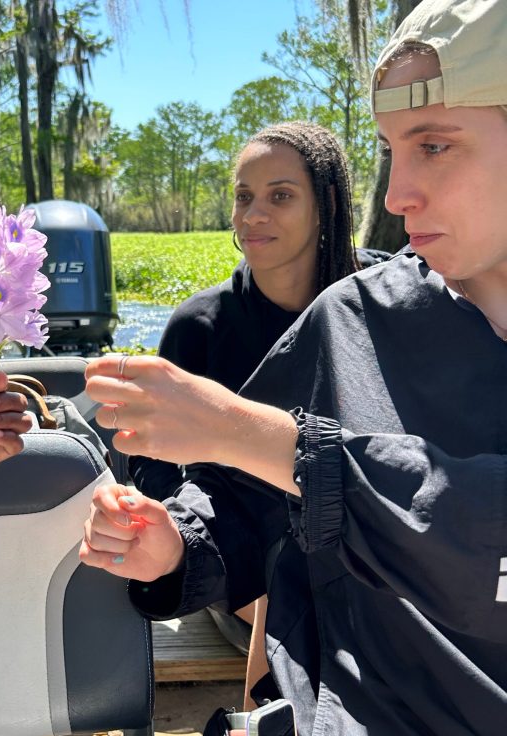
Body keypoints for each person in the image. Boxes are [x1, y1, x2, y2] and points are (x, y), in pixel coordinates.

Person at [82, 0, 507, 736]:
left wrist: (261, 438)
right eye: (391, 151)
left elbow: (480, 545)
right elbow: (243, 503)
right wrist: (173, 542)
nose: (398, 194)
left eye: (435, 145)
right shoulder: (353, 320)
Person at [128, 122, 367, 685]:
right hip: (236, 572)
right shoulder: (199, 326)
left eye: (280, 196)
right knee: (292, 595)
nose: (253, 215)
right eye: (243, 196)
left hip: (363, 561)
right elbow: (150, 464)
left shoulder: (379, 299)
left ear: (327, 204)